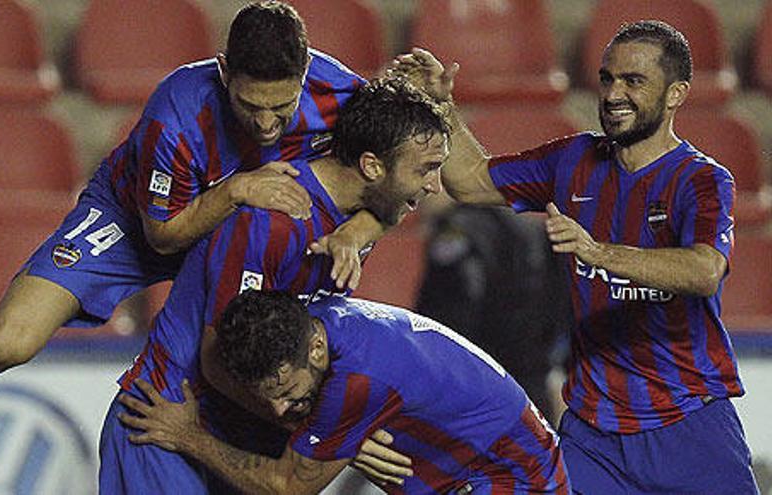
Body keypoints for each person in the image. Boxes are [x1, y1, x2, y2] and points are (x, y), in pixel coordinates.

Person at [0, 1, 381, 460]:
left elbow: (399, 182)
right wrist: (235, 192)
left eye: (283, 107)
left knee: (265, 359)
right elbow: (163, 237)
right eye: (250, 105)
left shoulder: (340, 92)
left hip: (243, 235)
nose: (267, 123)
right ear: (224, 71)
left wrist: (355, 233)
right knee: (7, 342)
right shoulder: (176, 114)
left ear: (305, 74)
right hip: (137, 219)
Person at [394, 20, 759, 494]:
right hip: (594, 432)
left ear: (676, 94)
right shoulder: (574, 161)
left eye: (634, 81)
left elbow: (705, 270)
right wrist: (442, 107)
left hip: (687, 422)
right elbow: (468, 181)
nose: (613, 94)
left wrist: (599, 253)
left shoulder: (702, 180)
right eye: (608, 78)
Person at [99, 76, 451, 494]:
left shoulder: (362, 213)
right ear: (372, 166)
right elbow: (217, 360)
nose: (434, 185)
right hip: (167, 418)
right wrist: (334, 432)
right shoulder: (274, 222)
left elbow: (387, 212)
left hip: (249, 433)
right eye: (425, 169)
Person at [117, 290, 571, 495]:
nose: (278, 410)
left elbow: (288, 487)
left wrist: (188, 435)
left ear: (315, 350)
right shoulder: (309, 325)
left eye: (288, 392)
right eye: (267, 396)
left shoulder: (356, 381)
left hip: (512, 482)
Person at [416, 205, 570, 419]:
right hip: (531, 387)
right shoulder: (532, 227)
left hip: (473, 388)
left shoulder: (457, 228)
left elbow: (446, 313)